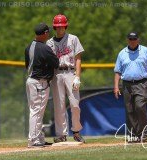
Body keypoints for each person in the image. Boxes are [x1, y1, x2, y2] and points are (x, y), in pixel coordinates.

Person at [46, 14, 85, 143]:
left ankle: (76, 131)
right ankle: (61, 134)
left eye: (62, 26)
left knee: (75, 104)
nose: (60, 29)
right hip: (57, 74)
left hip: (70, 73)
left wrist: (77, 76)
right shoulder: (49, 43)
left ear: (65, 26)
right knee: (59, 105)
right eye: (57, 27)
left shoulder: (73, 39)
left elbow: (78, 58)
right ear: (54, 27)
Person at [114, 32, 147, 142]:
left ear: (138, 39)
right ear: (127, 40)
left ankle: (143, 133)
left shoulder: (145, 51)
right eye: (130, 39)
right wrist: (116, 86)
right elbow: (118, 72)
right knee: (129, 110)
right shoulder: (122, 53)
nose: (132, 41)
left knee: (139, 106)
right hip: (127, 84)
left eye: (134, 39)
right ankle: (133, 135)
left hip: (141, 83)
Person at [25, 23, 59, 147]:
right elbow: (56, 63)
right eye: (47, 32)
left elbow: (27, 65)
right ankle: (33, 140)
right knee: (37, 111)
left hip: (31, 81)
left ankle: (38, 138)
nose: (48, 34)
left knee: (36, 111)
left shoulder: (29, 47)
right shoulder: (44, 48)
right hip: (39, 82)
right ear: (44, 33)